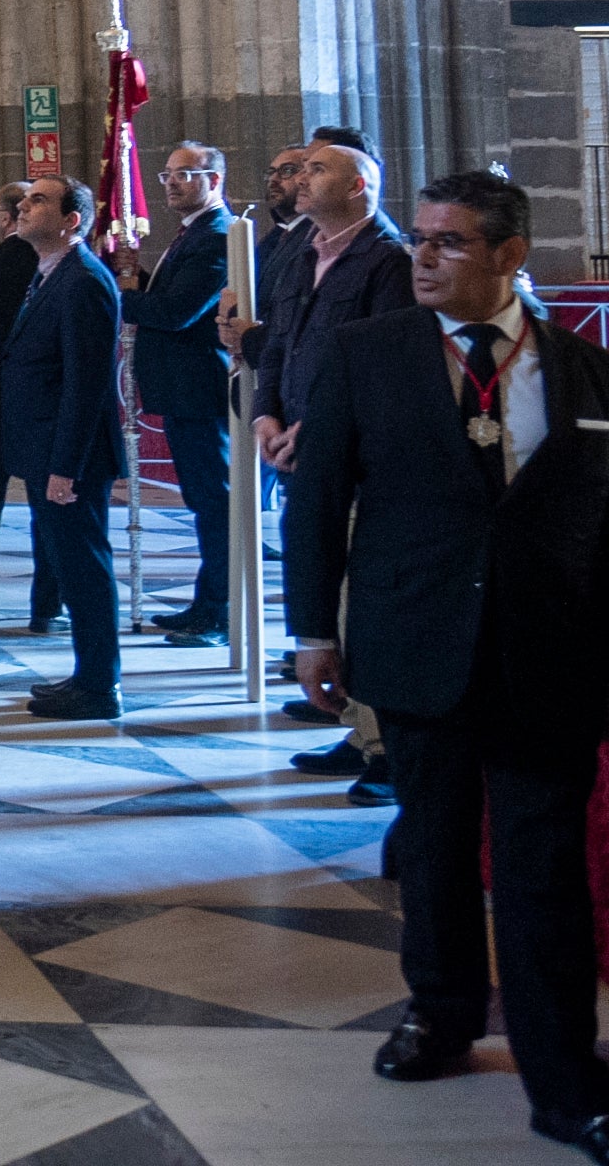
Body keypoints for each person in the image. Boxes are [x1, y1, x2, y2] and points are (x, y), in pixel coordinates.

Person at [285, 171, 609, 1166]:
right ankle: (439, 1011)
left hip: (548, 660)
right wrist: (309, 631)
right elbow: (316, 498)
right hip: (415, 645)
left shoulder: (589, 374)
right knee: (436, 849)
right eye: (416, 237)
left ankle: (566, 1089)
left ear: (506, 255)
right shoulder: (367, 353)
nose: (421, 256)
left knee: (544, 876)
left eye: (447, 242)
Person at [256, 140, 412, 795]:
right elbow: (281, 345)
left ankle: (390, 753)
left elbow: (386, 368)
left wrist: (311, 432)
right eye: (297, 167)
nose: (297, 177)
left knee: (362, 606)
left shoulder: (389, 261)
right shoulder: (302, 253)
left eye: (316, 168)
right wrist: (265, 414)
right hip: (301, 455)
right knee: (325, 590)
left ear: (360, 187)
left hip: (357, 462)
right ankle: (360, 728)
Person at [0, 175, 126, 719]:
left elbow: (86, 383)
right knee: (73, 568)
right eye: (25, 199)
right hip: (48, 448)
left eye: (39, 200)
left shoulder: (84, 281)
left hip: (70, 455)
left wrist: (65, 468)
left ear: (72, 220)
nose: (23, 205)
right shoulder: (53, 274)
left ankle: (99, 687)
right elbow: (46, 361)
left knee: (85, 569)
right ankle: (87, 674)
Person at [109, 141, 234, 644]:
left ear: (215, 180)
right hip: (184, 392)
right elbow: (168, 300)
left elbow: (178, 313)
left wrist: (116, 294)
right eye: (166, 175)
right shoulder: (193, 234)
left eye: (186, 174)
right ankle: (207, 601)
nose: (172, 183)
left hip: (200, 390)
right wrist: (137, 280)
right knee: (206, 504)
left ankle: (220, 609)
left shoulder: (216, 237)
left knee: (216, 505)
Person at [0, 182, 63, 634]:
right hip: (39, 400)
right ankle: (46, 606)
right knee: (45, 506)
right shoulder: (53, 265)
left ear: (2, 219)